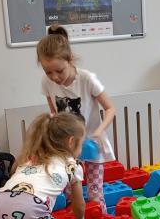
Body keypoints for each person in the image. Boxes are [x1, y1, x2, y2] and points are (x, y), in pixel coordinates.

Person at [37, 25, 116, 208]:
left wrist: (98, 132)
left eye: (59, 71)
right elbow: (54, 114)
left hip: (91, 143)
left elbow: (110, 108)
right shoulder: (46, 82)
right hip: (67, 148)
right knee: (71, 192)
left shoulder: (87, 79)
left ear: (70, 59)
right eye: (48, 72)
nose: (54, 77)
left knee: (95, 193)